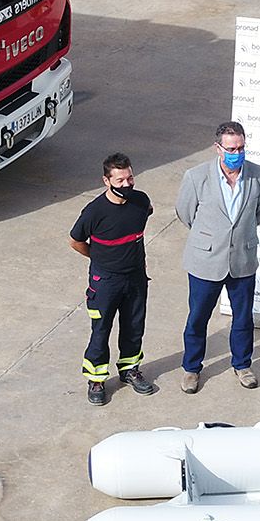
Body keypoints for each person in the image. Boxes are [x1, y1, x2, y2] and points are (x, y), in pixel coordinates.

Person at [175, 122, 260, 393]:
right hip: (205, 261)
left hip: (242, 259)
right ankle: (192, 369)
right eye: (231, 148)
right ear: (218, 148)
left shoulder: (259, 175)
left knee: (242, 318)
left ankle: (242, 365)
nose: (236, 153)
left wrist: (239, 237)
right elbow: (185, 213)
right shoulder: (196, 176)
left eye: (240, 147)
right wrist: (210, 237)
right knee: (197, 318)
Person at [68, 153, 158, 406]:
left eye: (130, 178)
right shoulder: (94, 212)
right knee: (101, 330)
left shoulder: (141, 202)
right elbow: (75, 241)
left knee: (134, 325)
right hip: (105, 281)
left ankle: (130, 370)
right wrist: (100, 258)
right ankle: (96, 379)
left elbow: (143, 220)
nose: (127, 184)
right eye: (120, 180)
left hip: (136, 278)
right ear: (106, 181)